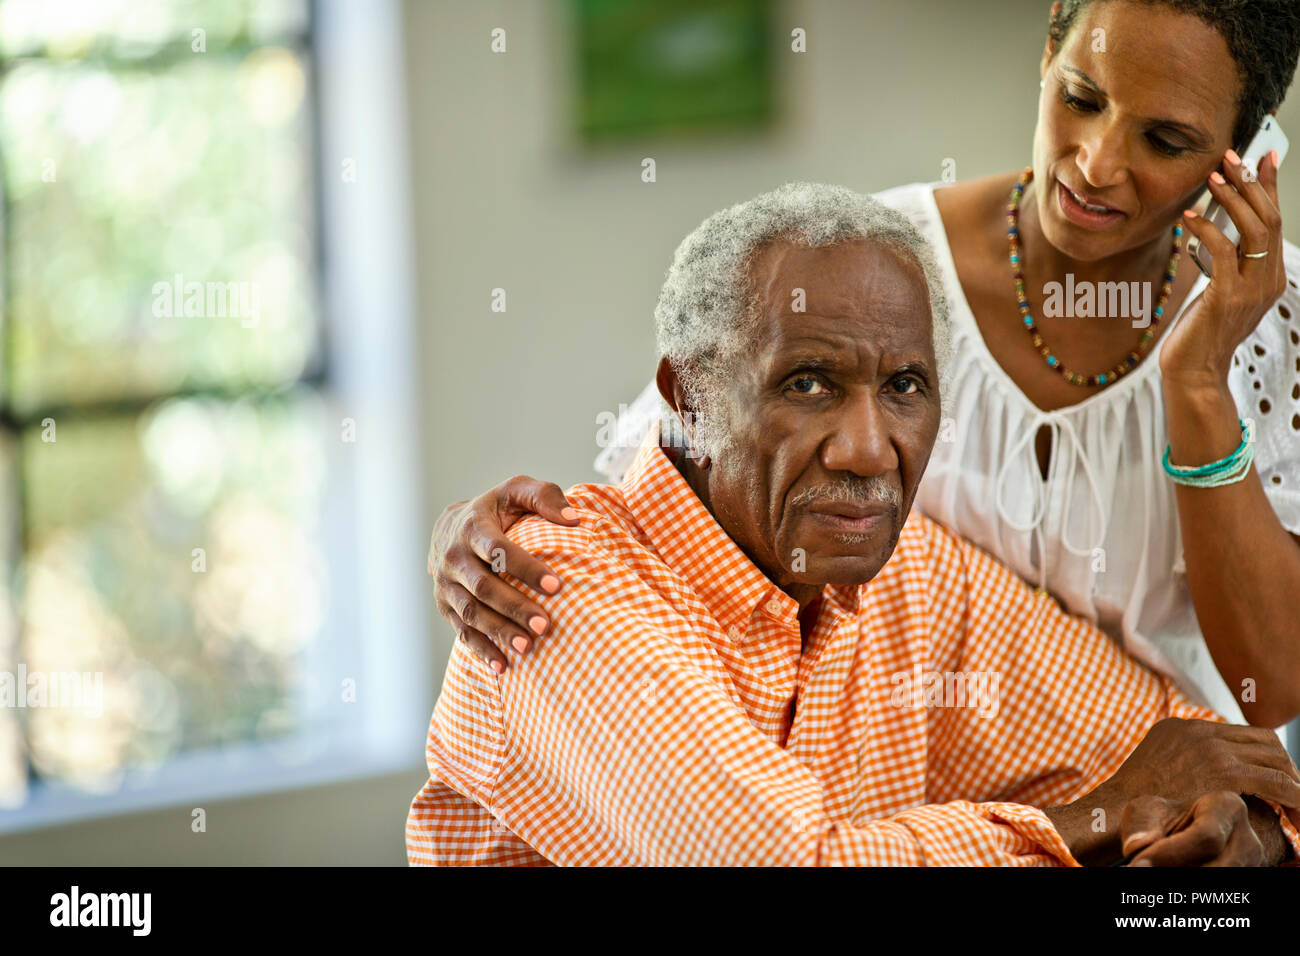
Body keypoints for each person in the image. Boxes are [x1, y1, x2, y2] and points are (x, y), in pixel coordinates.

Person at [426, 0, 1300, 731]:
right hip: (886, 815)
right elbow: (664, 475)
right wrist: (497, 531)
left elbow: (1272, 686)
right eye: (1081, 96)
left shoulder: (1276, 320)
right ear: (1046, 55)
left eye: (1166, 139)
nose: (1098, 162)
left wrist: (1196, 384)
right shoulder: (881, 267)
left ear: (1247, 151)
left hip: (1174, 821)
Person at [407, 183, 1300, 866]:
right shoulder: (553, 582)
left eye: (905, 387)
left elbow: (1182, 746)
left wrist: (1243, 830)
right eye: (809, 384)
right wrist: (1094, 819)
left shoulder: (900, 569)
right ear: (688, 399)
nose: (871, 451)